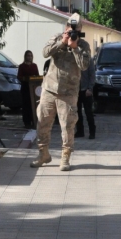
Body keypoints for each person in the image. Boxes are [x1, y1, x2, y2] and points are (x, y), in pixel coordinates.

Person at [31, 13, 91, 171]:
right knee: (43, 122)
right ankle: (43, 154)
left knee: (68, 126)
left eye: (76, 28)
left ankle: (65, 157)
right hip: (49, 89)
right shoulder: (57, 38)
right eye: (70, 28)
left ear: (80, 29)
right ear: (66, 27)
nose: (72, 31)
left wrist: (75, 47)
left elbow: (84, 66)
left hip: (69, 92)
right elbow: (45, 53)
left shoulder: (83, 45)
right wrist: (62, 42)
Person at [75, 46, 96, 139]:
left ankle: (92, 132)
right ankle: (80, 131)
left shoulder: (89, 60)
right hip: (76, 91)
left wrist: (90, 88)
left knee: (88, 113)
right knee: (77, 113)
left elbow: (92, 75)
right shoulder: (74, 60)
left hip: (86, 90)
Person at [17, 50, 39, 130]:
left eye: (30, 56)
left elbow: (37, 76)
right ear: (25, 56)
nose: (29, 57)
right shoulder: (22, 66)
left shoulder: (34, 66)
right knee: (26, 106)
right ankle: (27, 122)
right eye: (28, 56)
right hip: (25, 88)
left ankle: (34, 121)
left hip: (33, 89)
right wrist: (25, 79)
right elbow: (19, 76)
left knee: (33, 105)